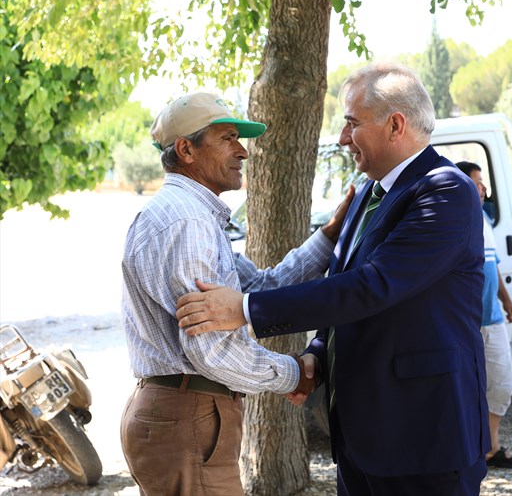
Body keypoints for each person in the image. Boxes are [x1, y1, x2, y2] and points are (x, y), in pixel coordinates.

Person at [174, 63, 489, 495]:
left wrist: (245, 310)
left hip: (423, 435)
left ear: (395, 124)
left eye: (351, 124)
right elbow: (347, 289)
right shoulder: (366, 193)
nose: (343, 138)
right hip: (363, 438)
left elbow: (373, 287)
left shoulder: (445, 190)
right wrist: (318, 357)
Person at [120, 92, 351, 496]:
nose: (242, 152)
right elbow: (211, 350)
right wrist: (295, 373)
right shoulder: (187, 222)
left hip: (181, 416)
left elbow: (261, 288)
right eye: (227, 138)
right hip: (187, 416)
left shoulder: (191, 216)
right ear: (186, 149)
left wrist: (329, 235)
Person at [456, 160, 512, 469]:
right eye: (477, 181)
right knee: (465, 388)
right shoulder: (453, 220)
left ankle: (488, 446)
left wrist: (507, 300)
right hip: (465, 322)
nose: (483, 187)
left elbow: (492, 264)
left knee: (502, 382)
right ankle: (481, 450)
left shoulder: (484, 219)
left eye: (483, 182)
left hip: (492, 319)